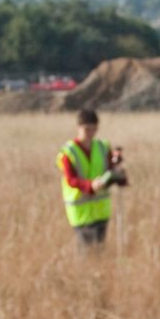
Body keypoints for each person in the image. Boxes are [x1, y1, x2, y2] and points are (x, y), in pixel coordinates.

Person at [57, 106, 127, 247]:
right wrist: (91, 186)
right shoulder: (69, 152)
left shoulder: (102, 147)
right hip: (80, 213)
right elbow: (71, 179)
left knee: (100, 251)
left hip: (101, 211)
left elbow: (110, 170)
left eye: (94, 129)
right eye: (87, 129)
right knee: (86, 252)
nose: (90, 133)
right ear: (78, 127)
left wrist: (119, 175)